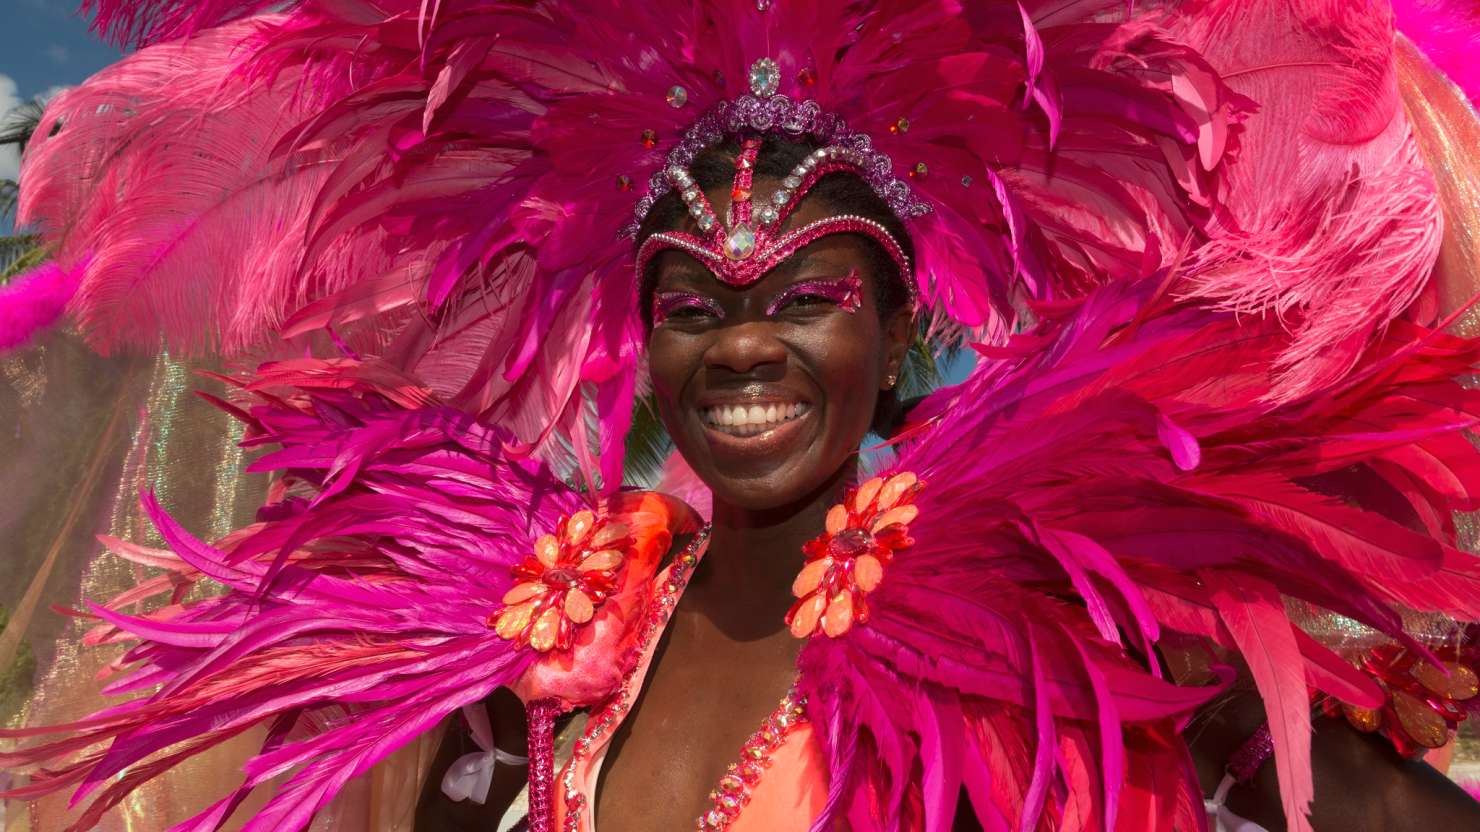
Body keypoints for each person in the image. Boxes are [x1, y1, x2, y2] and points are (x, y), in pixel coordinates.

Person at [3, 1, 1480, 831]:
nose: (744, 348)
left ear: (901, 332)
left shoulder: (1033, 621)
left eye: (808, 297)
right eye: (693, 307)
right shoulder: (555, 631)